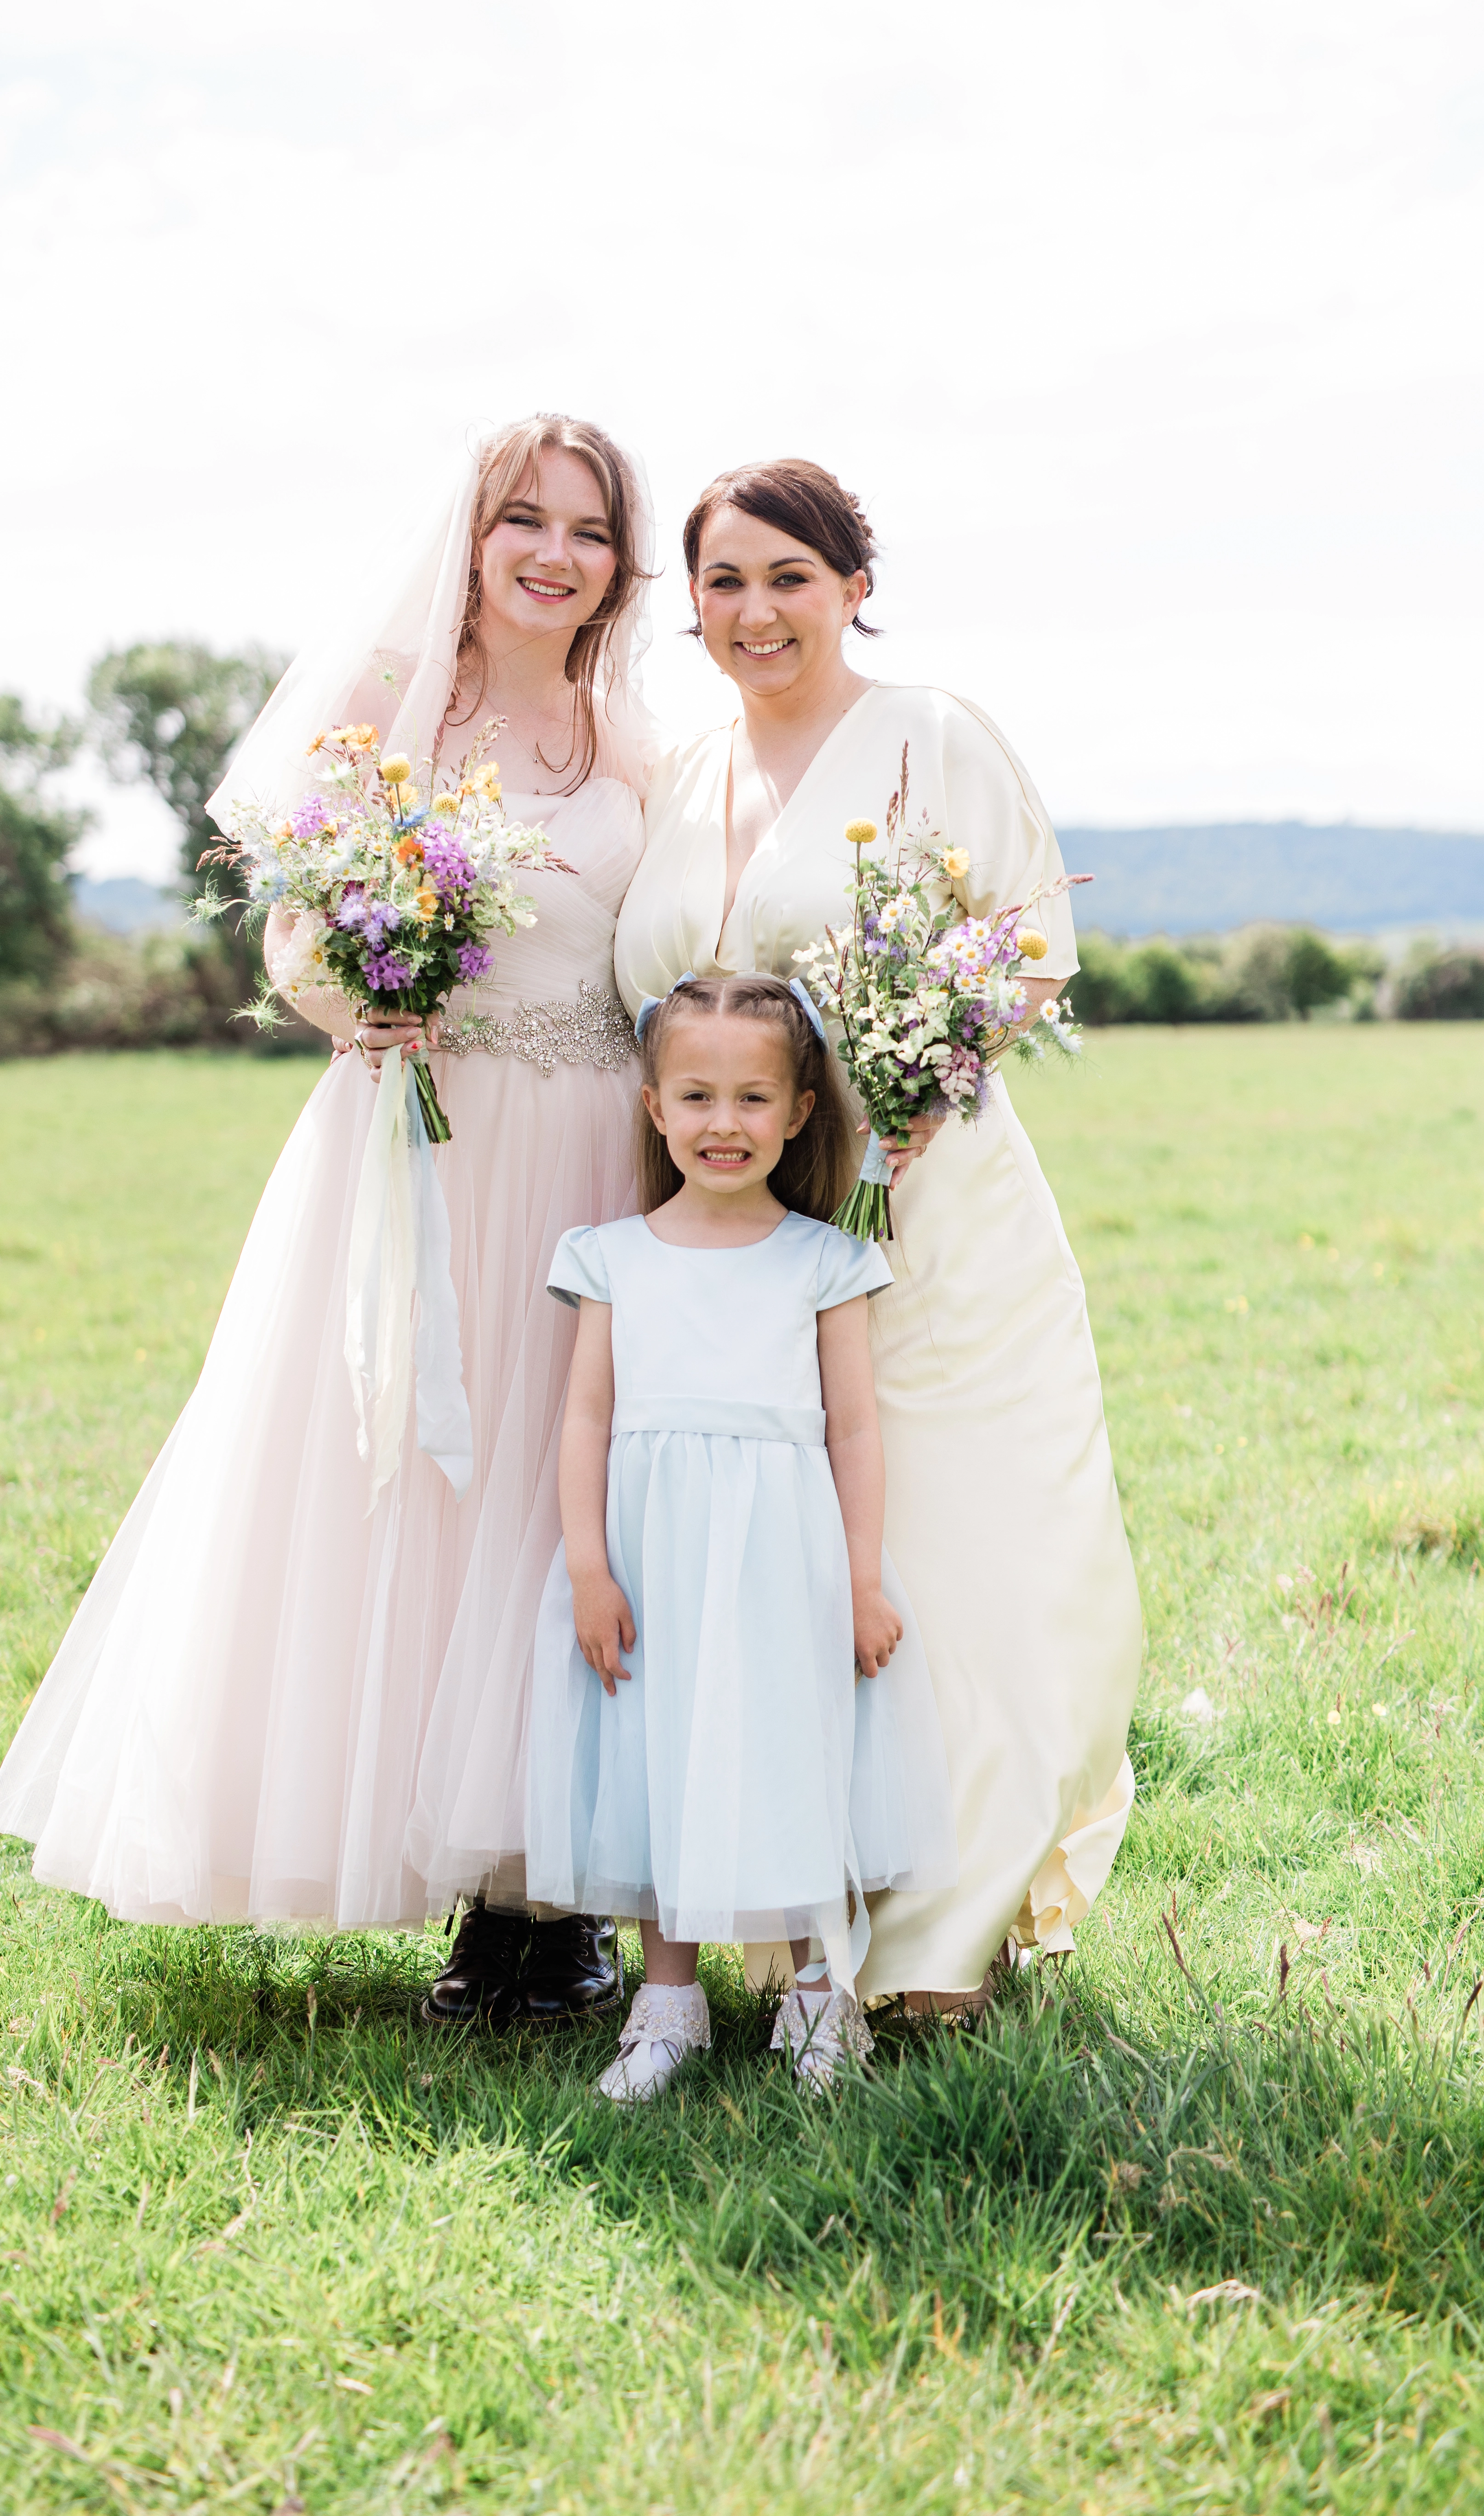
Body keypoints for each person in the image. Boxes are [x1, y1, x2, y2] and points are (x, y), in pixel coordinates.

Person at [0, 415, 655, 2028]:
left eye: (587, 530)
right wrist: (360, 997)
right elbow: (296, 922)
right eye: (523, 522)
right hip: (420, 1138)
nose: (554, 555)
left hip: (590, 1150)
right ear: (472, 539)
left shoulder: (634, 734)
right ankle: (429, 1869)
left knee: (559, 1498)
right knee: (412, 1484)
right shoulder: (392, 699)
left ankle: (545, 1901)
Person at [613, 459, 1143, 2013]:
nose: (755, 609)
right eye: (722, 581)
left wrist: (921, 1080)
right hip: (737, 1231)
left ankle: (942, 1939)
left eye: (788, 574)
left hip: (926, 1213)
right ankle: (798, 1928)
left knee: (953, 1546)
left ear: (851, 583)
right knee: (783, 1561)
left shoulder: (930, 740)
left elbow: (1026, 943)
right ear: (691, 606)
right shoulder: (682, 770)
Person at [525, 973, 956, 2097]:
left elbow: (854, 1429)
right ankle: (669, 2008)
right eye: (699, 1096)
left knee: (794, 1748)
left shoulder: (826, 1260)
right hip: (653, 1553)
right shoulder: (610, 1255)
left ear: (801, 1112)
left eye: (754, 1099)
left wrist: (860, 1580)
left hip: (786, 1559)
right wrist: (587, 1566)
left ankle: (821, 2001)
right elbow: (586, 1418)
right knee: (661, 1754)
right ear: (656, 1107)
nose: (726, 1124)